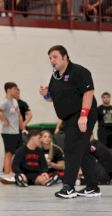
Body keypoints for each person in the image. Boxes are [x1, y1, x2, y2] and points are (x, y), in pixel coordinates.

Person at [40, 45, 100, 198]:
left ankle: (69, 186)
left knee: (71, 148)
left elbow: (89, 92)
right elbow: (53, 98)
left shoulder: (79, 71)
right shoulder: (55, 77)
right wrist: (46, 95)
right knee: (83, 149)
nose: (52, 60)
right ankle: (92, 186)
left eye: (55, 57)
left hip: (82, 114)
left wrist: (84, 115)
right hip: (68, 118)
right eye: (50, 58)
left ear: (65, 57)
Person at [0, 82, 26, 182]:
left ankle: (10, 171)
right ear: (8, 90)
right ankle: (7, 174)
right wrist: (4, 120)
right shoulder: (5, 102)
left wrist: (22, 128)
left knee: (13, 153)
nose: (16, 90)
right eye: (14, 89)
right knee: (9, 153)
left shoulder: (14, 101)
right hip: (8, 132)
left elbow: (19, 116)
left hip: (15, 131)